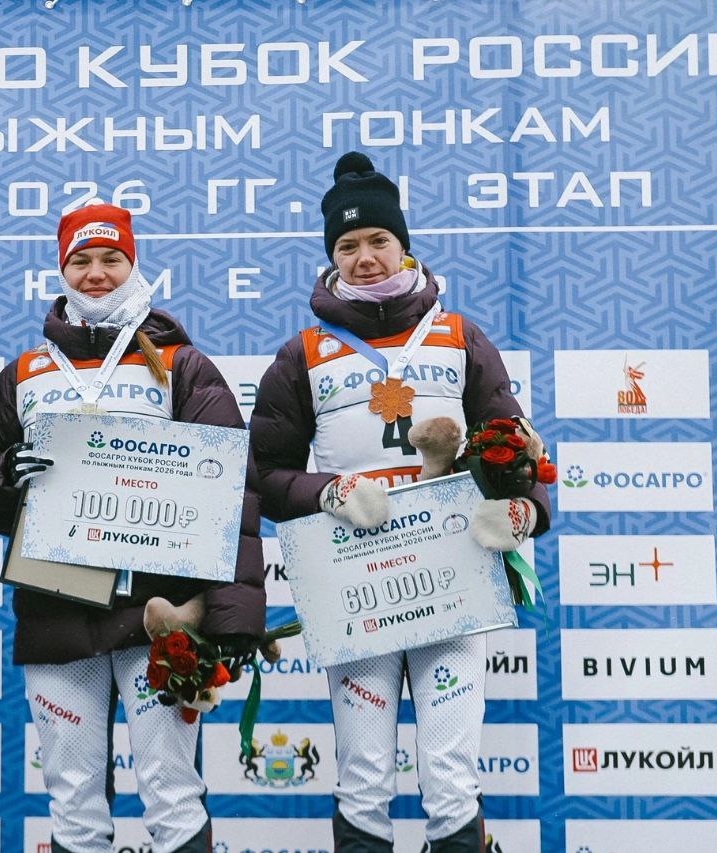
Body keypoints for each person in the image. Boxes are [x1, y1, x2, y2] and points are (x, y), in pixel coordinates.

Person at [249, 153, 551, 853]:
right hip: (357, 585)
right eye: (346, 246)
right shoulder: (303, 353)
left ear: (404, 245)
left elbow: (518, 448)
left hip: (454, 580)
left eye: (377, 240)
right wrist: (330, 489)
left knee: (449, 770)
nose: (363, 257)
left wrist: (522, 510)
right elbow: (264, 475)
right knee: (362, 770)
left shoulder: (460, 334)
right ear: (331, 257)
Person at [0, 203, 265, 853]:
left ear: (134, 266)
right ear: (61, 270)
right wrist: (1, 475)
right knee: (72, 792)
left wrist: (234, 612)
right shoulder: (25, 373)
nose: (97, 273)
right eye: (82, 260)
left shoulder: (180, 364)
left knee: (170, 785)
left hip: (155, 610)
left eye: (112, 259)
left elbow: (232, 491)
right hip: (56, 604)